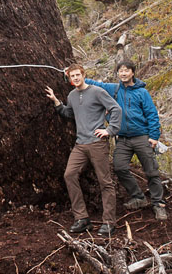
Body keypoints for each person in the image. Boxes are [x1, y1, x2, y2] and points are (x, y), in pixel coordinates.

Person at [45, 63, 122, 236]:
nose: (76, 78)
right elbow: (69, 114)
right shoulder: (72, 95)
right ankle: (82, 219)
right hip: (80, 144)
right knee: (69, 175)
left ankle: (109, 222)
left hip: (97, 143)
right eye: (72, 76)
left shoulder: (97, 91)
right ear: (70, 79)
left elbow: (116, 109)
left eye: (78, 75)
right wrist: (56, 101)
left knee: (105, 181)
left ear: (83, 75)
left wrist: (109, 130)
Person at [85, 59, 167, 220]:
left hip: (142, 137)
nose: (123, 73)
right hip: (122, 139)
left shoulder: (142, 92)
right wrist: (74, 77)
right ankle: (138, 197)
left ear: (133, 72)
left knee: (151, 171)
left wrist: (154, 137)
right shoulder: (114, 89)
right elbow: (95, 84)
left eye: (126, 70)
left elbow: (151, 114)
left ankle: (158, 204)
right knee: (119, 167)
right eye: (120, 71)